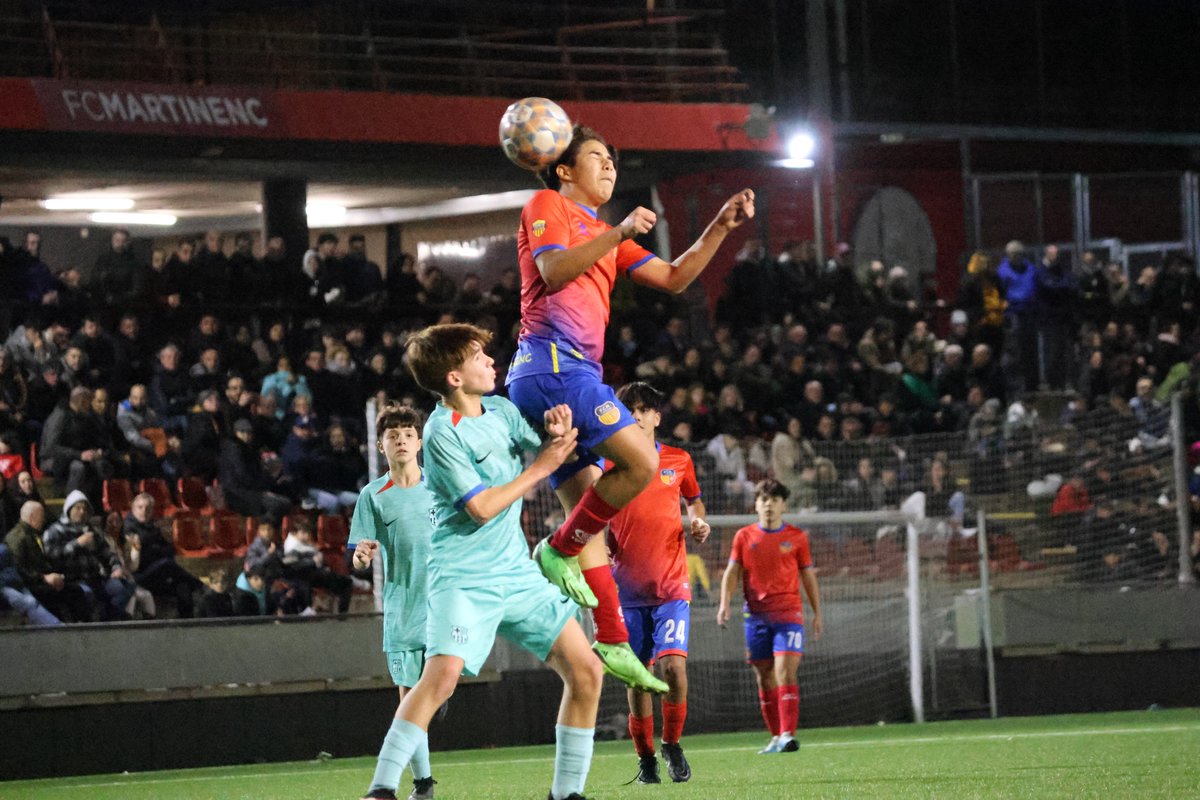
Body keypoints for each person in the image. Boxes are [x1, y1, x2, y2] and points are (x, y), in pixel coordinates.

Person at [505, 124, 754, 693]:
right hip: (553, 367)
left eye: (614, 160)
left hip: (566, 375)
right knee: (642, 464)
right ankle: (556, 547)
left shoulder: (603, 234)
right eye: (598, 157)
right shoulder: (547, 203)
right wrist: (617, 231)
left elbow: (674, 276)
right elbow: (553, 271)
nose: (611, 166)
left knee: (598, 526)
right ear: (564, 169)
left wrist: (719, 225)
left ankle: (613, 639)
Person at [399, 323, 602, 800]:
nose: (492, 361)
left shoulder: (503, 410)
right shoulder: (440, 433)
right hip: (464, 576)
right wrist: (543, 464)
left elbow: (550, 450)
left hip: (513, 571)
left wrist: (555, 433)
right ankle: (385, 786)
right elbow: (482, 507)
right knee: (439, 681)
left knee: (587, 671)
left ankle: (565, 794)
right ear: (453, 377)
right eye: (478, 356)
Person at [605, 382, 710, 784]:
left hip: (671, 585)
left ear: (655, 417)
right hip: (626, 591)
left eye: (642, 409)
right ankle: (646, 757)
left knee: (672, 670)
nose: (635, 414)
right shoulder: (608, 463)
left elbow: (694, 501)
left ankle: (672, 745)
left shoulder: (678, 460)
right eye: (627, 408)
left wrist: (698, 520)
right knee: (638, 677)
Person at [349, 404, 438, 800]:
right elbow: (356, 555)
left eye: (407, 433)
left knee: (436, 691)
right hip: (403, 611)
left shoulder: (441, 485)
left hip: (445, 606)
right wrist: (362, 557)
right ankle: (423, 783)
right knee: (409, 701)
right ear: (381, 445)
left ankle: (440, 697)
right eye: (392, 435)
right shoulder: (373, 495)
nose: (400, 440)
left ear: (419, 441)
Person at [717, 479, 823, 755]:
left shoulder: (797, 537)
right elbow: (731, 573)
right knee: (764, 677)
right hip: (756, 617)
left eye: (775, 500)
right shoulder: (744, 537)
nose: (769, 505)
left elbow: (808, 577)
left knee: (784, 671)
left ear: (783, 505)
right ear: (756, 505)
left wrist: (817, 613)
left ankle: (788, 734)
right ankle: (776, 737)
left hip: (789, 614)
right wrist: (724, 604)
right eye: (764, 500)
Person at [124, 493, 204, 618]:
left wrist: (155, 549)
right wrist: (157, 549)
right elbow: (144, 556)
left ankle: (187, 623)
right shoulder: (128, 528)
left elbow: (169, 550)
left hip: (157, 574)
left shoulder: (153, 527)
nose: (144, 511)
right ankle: (198, 583)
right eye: (140, 507)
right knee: (166, 564)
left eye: (148, 508)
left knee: (182, 586)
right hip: (138, 575)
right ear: (133, 509)